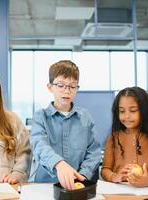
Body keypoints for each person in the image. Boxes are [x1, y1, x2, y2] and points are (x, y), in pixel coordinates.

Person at [29, 60, 101, 190]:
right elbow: (39, 146)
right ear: (50, 87)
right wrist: (59, 164)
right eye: (61, 85)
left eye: (72, 86)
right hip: (44, 186)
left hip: (77, 185)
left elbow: (94, 151)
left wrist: (83, 175)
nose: (66, 91)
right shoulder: (40, 117)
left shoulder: (85, 117)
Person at [101, 86, 148, 187]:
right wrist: (114, 176)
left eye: (133, 110)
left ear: (145, 112)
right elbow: (105, 170)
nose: (126, 116)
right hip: (120, 193)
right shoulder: (113, 138)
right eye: (122, 111)